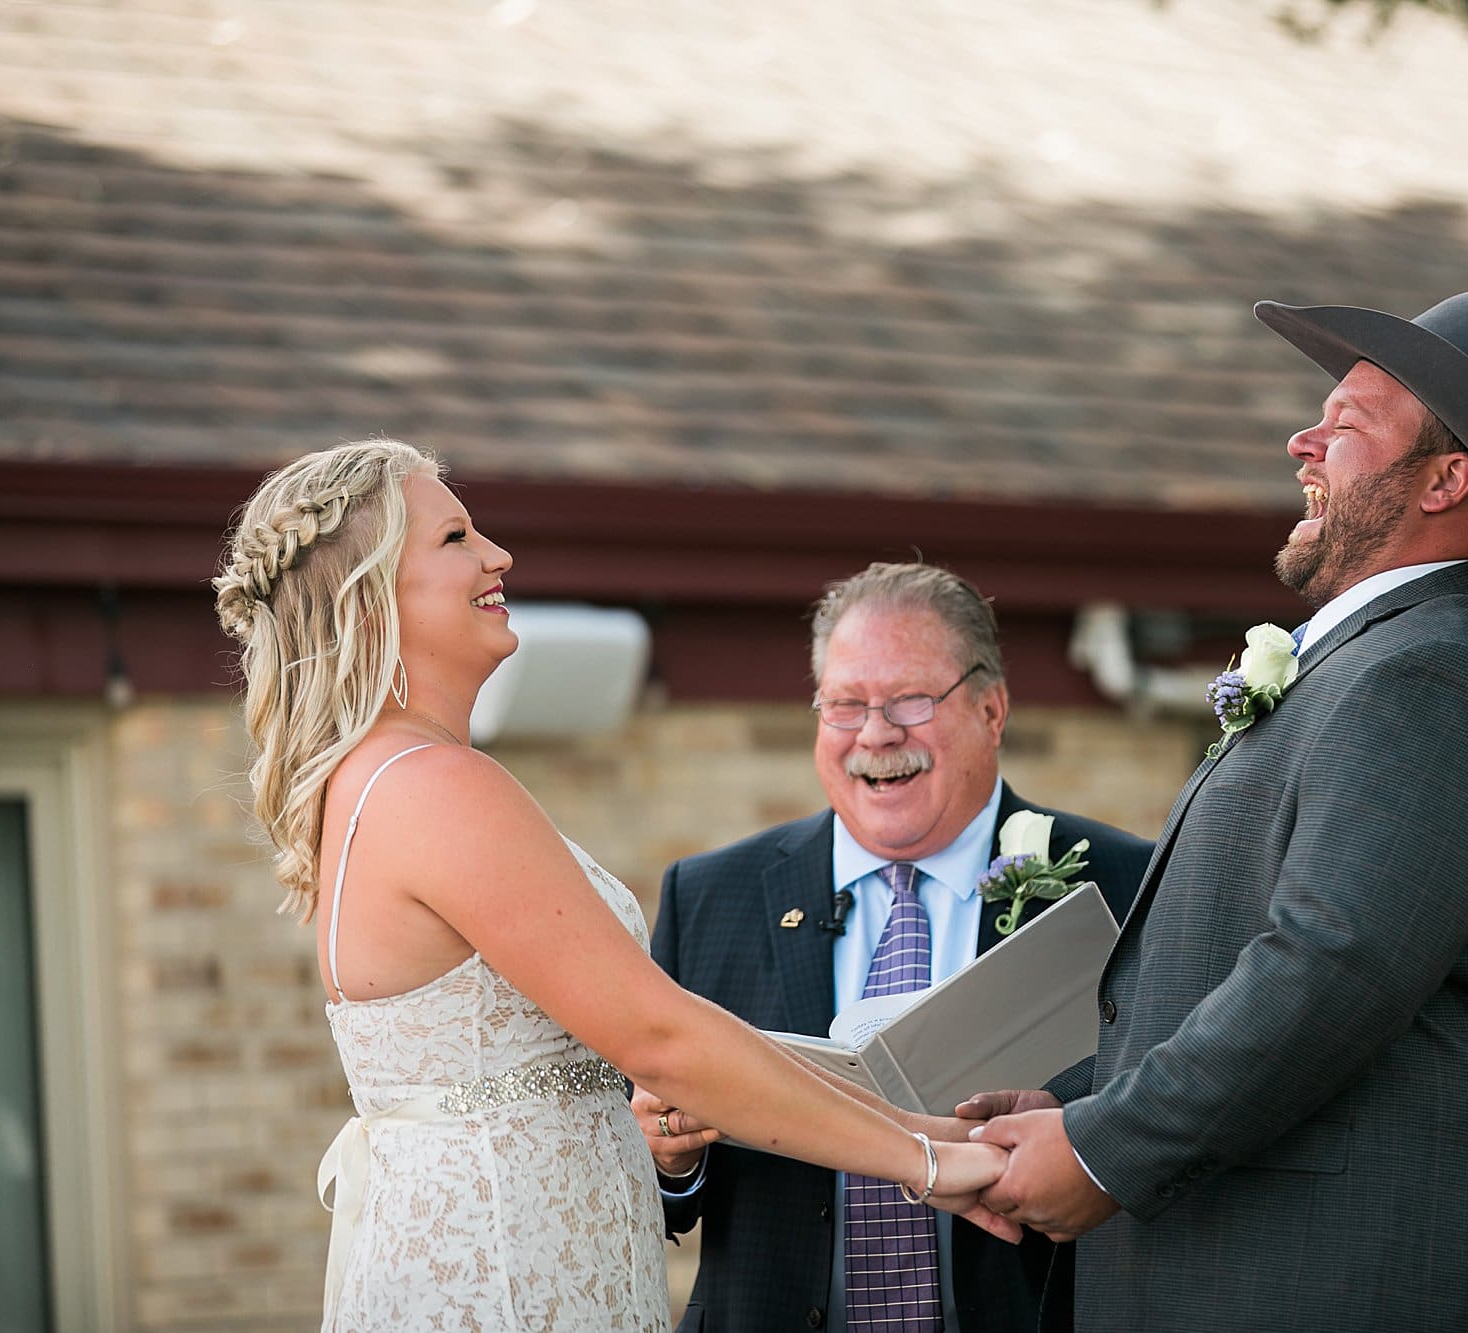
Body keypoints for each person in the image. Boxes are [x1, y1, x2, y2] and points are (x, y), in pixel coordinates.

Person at [212, 445, 1014, 1333]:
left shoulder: (382, 781)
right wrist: (922, 1162)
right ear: (373, 597)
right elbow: (663, 1037)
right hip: (511, 1282)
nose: (497, 555)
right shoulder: (431, 785)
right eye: (454, 536)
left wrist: (933, 1134)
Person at [965, 293, 1468, 1331]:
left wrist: (1106, 1148)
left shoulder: (1439, 672)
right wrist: (1084, 1101)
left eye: (1346, 424)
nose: (1300, 441)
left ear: (1446, 479)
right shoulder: (1374, 663)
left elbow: (1330, 966)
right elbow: (1260, 965)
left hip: (1361, 1287)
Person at [632, 562, 1152, 1333]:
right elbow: (644, 1184)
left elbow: (1172, 1121)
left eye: (910, 700)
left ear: (992, 707)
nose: (875, 734)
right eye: (845, 705)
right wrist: (669, 1158)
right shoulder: (710, 896)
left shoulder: (1124, 882)